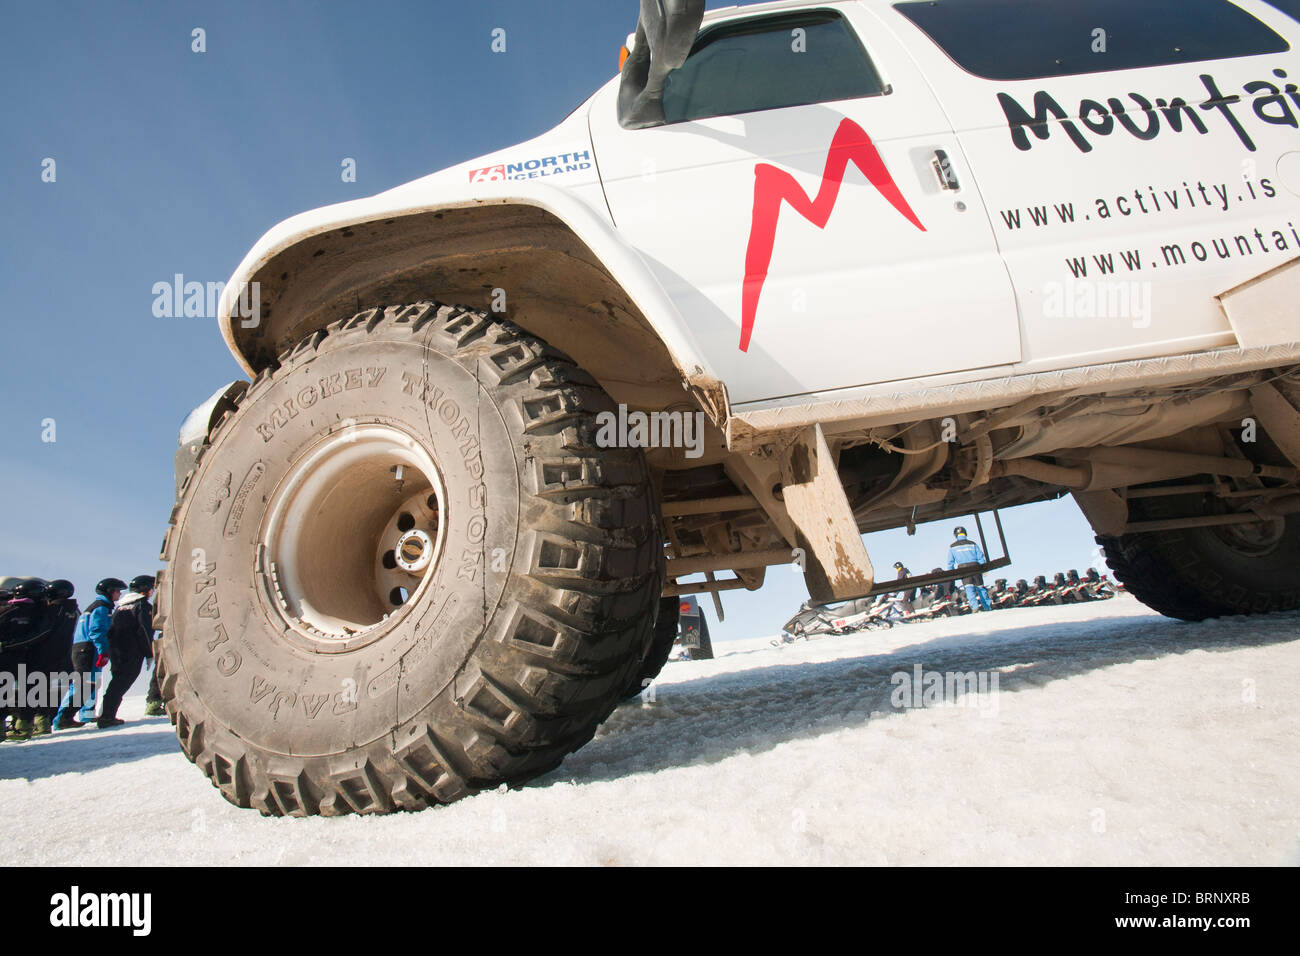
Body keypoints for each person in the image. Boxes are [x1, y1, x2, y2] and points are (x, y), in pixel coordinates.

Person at [54, 577, 124, 729]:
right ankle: (61, 719)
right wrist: (103, 651)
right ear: (110, 592)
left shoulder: (97, 606)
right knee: (83, 685)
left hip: (83, 648)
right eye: (118, 591)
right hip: (87, 649)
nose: (120, 594)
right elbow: (96, 631)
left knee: (87, 685)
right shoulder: (101, 607)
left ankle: (70, 717)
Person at [97, 575, 155, 728]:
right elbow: (144, 630)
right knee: (122, 682)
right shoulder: (142, 606)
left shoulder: (120, 606)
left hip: (117, 649)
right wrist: (150, 653)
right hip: (132, 650)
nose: (152, 591)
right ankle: (106, 716)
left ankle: (106, 714)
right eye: (151, 588)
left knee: (117, 681)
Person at [946, 526, 991, 611]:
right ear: (965, 533)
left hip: (963, 569)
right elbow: (981, 556)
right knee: (980, 587)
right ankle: (987, 607)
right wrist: (984, 569)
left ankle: (975, 607)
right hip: (976, 567)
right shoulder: (972, 544)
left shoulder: (952, 547)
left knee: (969, 589)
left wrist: (951, 573)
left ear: (955, 535)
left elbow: (950, 562)